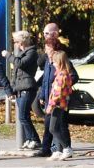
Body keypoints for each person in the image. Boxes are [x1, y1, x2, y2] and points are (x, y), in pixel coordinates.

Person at [35, 22, 74, 159]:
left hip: (57, 102)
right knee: (50, 126)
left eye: (48, 49)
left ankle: (65, 148)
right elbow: (45, 79)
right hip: (49, 98)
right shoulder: (48, 61)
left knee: (58, 126)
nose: (46, 51)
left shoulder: (61, 62)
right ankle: (52, 149)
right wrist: (41, 94)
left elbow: (71, 77)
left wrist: (65, 90)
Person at [5, 30, 41, 151]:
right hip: (20, 88)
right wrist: (13, 89)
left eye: (16, 41)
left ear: (22, 41)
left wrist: (8, 55)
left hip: (27, 87)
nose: (15, 44)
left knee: (23, 116)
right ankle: (29, 139)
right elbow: (16, 73)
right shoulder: (23, 52)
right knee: (23, 116)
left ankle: (35, 140)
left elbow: (20, 64)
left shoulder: (31, 53)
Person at [44, 50, 74, 160]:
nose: (53, 64)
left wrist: (50, 106)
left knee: (53, 128)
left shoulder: (61, 75)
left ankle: (66, 148)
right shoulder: (64, 73)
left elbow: (57, 93)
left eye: (55, 62)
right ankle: (59, 150)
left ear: (60, 62)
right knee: (56, 127)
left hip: (58, 105)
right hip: (61, 105)